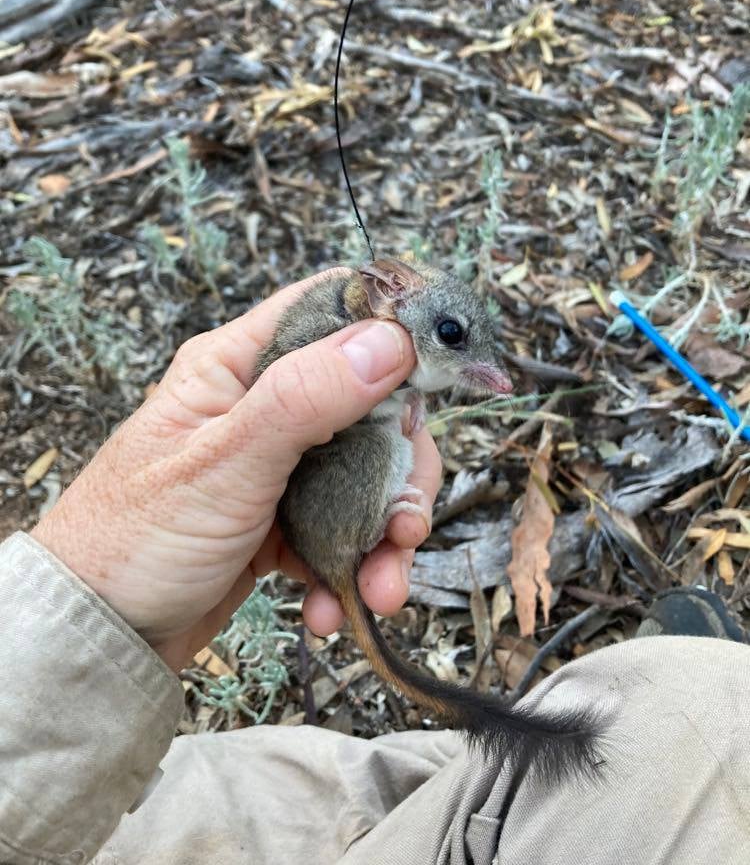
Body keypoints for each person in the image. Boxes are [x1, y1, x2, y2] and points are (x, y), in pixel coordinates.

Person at [2, 269, 749, 865]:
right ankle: (557, 774)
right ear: (385, 301)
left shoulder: (374, 339)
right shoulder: (349, 340)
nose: (471, 363)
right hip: (326, 514)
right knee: (378, 461)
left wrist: (100, 609)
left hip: (59, 784)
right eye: (450, 336)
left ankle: (488, 787)